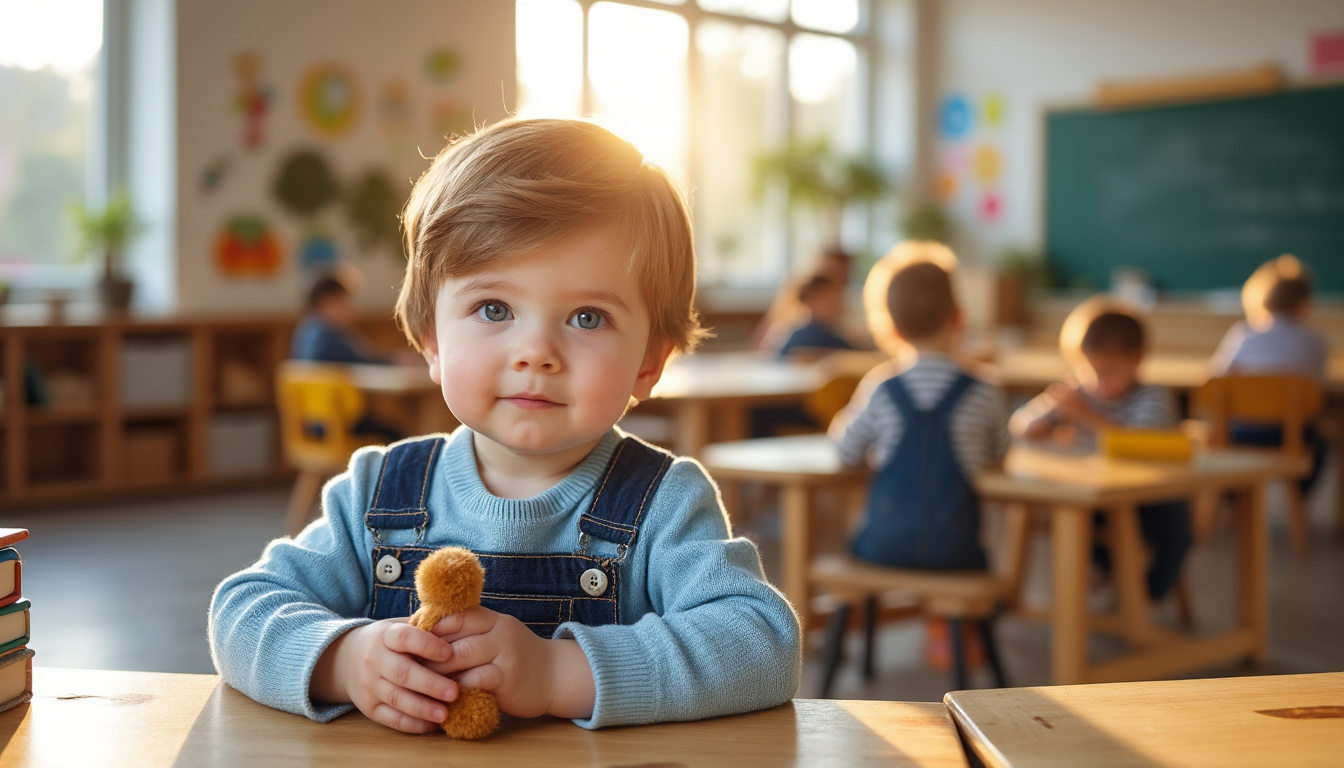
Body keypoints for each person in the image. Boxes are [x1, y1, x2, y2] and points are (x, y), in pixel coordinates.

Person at [210, 118, 801, 734]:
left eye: (587, 317)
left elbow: (761, 644)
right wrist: (343, 659)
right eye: (494, 309)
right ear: (431, 340)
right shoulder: (378, 494)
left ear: (649, 360)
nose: (536, 352)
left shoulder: (664, 504)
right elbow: (242, 610)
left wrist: (557, 673)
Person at [828, 242, 1009, 670]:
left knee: (858, 534)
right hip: (958, 550)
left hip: (882, 547)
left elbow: (845, 452)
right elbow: (1001, 457)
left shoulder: (881, 387)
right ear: (958, 318)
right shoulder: (986, 389)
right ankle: (957, 638)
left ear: (890, 328)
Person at [1010, 298, 1192, 601]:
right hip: (1094, 498)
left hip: (1149, 502)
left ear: (1137, 359)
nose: (1097, 382)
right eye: (1087, 370)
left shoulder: (1152, 398)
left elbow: (1140, 444)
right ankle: (1115, 583)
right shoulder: (1077, 393)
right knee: (1069, 516)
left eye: (1108, 371)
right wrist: (1044, 422)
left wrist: (1085, 417)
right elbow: (1020, 426)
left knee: (1176, 527)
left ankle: (1147, 593)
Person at [1209, 255, 1327, 494]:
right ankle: (1299, 499)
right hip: (1291, 435)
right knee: (1322, 446)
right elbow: (1318, 387)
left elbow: (1215, 380)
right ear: (1303, 304)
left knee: (1214, 436)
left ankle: (1233, 501)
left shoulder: (1243, 335)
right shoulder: (1315, 341)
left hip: (1241, 435)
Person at [290, 272, 411, 443]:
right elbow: (363, 360)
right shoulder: (329, 337)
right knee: (394, 434)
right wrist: (394, 361)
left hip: (312, 424)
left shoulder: (306, 331)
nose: (351, 309)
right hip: (335, 426)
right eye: (345, 303)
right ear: (327, 303)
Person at [777, 272, 854, 358]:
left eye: (838, 298)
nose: (838, 305)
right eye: (830, 300)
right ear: (810, 301)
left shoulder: (794, 335)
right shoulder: (828, 340)